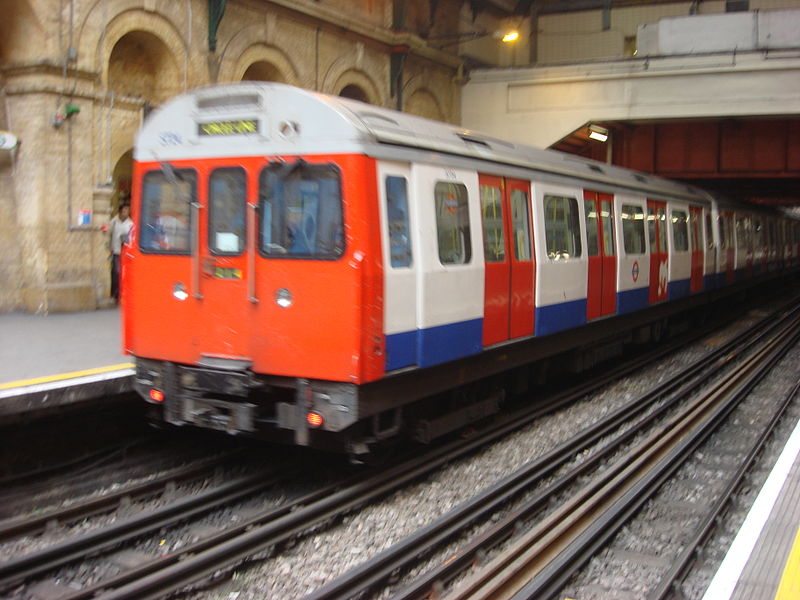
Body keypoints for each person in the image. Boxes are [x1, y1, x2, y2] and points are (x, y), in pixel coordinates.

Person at [109, 203, 133, 303]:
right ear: (120, 211)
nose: (125, 213)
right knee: (116, 272)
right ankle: (115, 294)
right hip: (116, 251)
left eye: (127, 211)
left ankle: (121, 294)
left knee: (123, 274)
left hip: (126, 252)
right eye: (124, 210)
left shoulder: (130, 224)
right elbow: (108, 232)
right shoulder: (114, 221)